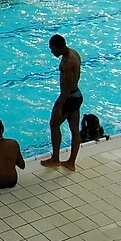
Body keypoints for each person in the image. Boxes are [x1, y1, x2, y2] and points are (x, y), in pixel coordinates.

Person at [40, 34, 83, 171]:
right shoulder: (74, 53)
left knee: (54, 125)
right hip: (77, 95)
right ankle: (71, 163)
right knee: (75, 130)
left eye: (52, 49)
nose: (52, 52)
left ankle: (55, 159)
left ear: (58, 47)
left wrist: (59, 106)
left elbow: (66, 89)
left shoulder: (67, 63)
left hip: (68, 98)